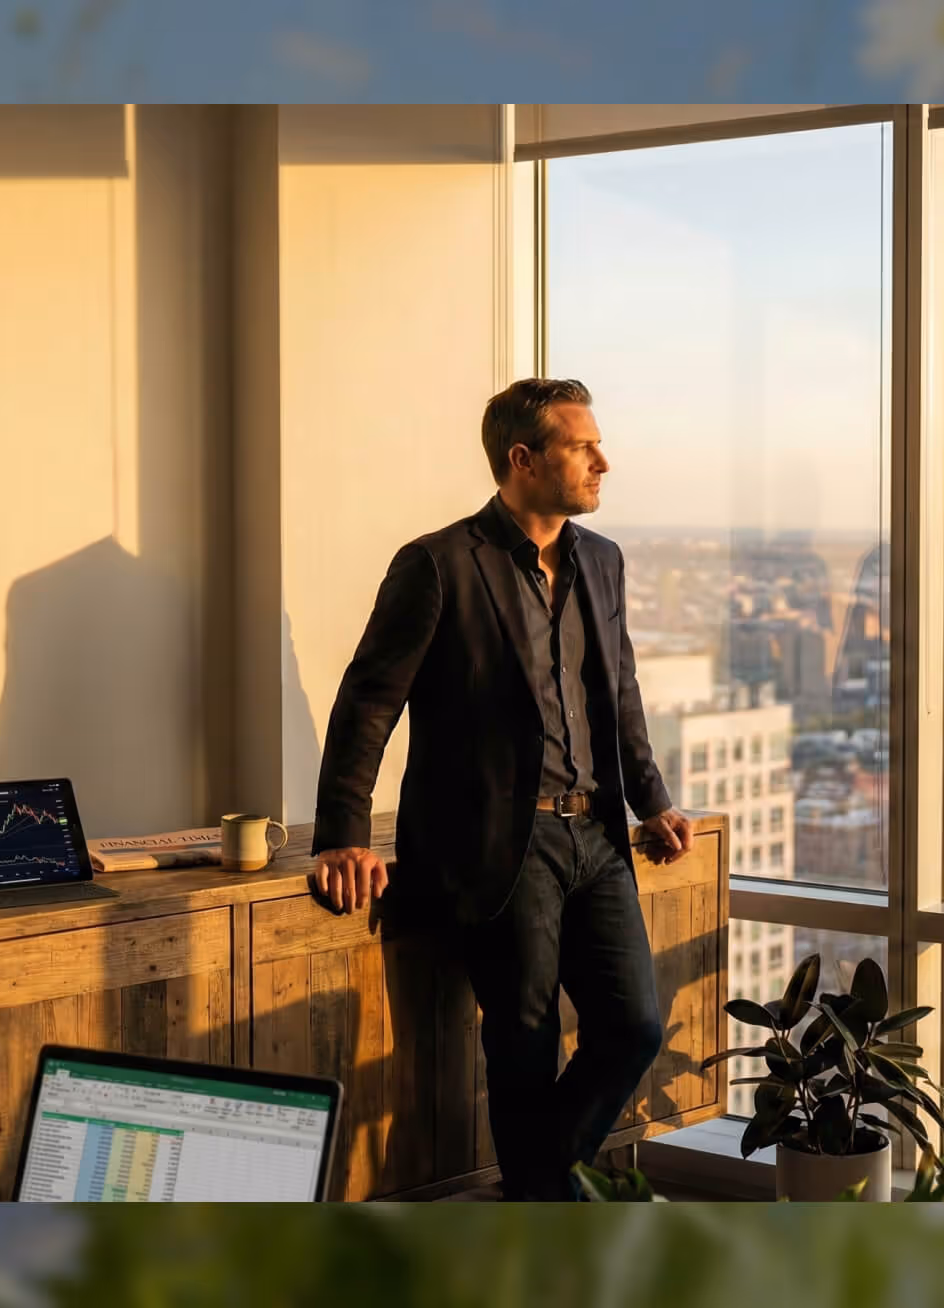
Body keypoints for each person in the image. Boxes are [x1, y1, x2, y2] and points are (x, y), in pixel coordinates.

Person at [311, 377, 693, 1200]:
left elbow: (618, 691)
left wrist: (651, 800)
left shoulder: (604, 560)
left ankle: (531, 1192)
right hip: (499, 845)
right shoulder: (439, 564)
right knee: (523, 1045)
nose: (604, 461)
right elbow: (368, 701)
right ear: (522, 461)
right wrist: (342, 829)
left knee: (632, 1025)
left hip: (596, 837)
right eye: (582, 447)